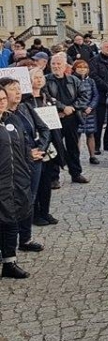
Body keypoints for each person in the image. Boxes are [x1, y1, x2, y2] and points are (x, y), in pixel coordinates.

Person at [1, 77, 49, 257]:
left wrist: (40, 149)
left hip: (32, 161)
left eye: (19, 88)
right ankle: (8, 246)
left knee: (28, 198)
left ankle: (25, 238)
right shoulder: (4, 118)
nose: (18, 92)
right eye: (13, 89)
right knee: (10, 204)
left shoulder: (26, 108)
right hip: (13, 165)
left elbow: (44, 128)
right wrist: (28, 152)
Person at [0, 87, 37, 279]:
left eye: (3, 98)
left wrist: (27, 169)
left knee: (11, 221)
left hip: (16, 181)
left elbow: (23, 147)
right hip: (2, 182)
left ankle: (10, 262)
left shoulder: (11, 120)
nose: (1, 102)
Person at [44, 52, 90, 184]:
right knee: (54, 147)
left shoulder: (74, 80)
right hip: (54, 118)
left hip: (71, 118)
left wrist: (72, 108)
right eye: (53, 64)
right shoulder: (46, 80)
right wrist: (62, 108)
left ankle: (76, 173)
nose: (56, 66)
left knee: (73, 147)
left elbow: (84, 96)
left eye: (59, 64)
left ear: (65, 66)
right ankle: (54, 178)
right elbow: (46, 97)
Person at [24, 69, 61, 226]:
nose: (38, 80)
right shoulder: (26, 101)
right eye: (35, 77)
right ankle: (35, 214)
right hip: (34, 144)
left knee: (46, 182)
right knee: (36, 183)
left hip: (48, 144)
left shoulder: (47, 98)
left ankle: (45, 211)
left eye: (40, 77)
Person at [90, 40, 108, 153]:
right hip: (100, 94)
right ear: (101, 48)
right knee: (99, 121)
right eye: (106, 47)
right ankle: (96, 146)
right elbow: (94, 76)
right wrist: (107, 86)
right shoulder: (95, 60)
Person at [72, 59, 100, 165]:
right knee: (77, 135)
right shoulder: (72, 80)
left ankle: (92, 156)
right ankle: (76, 156)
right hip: (78, 111)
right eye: (79, 67)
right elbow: (72, 96)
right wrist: (81, 107)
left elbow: (95, 95)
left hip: (90, 111)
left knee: (90, 134)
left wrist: (91, 107)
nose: (82, 69)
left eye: (84, 67)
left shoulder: (91, 81)